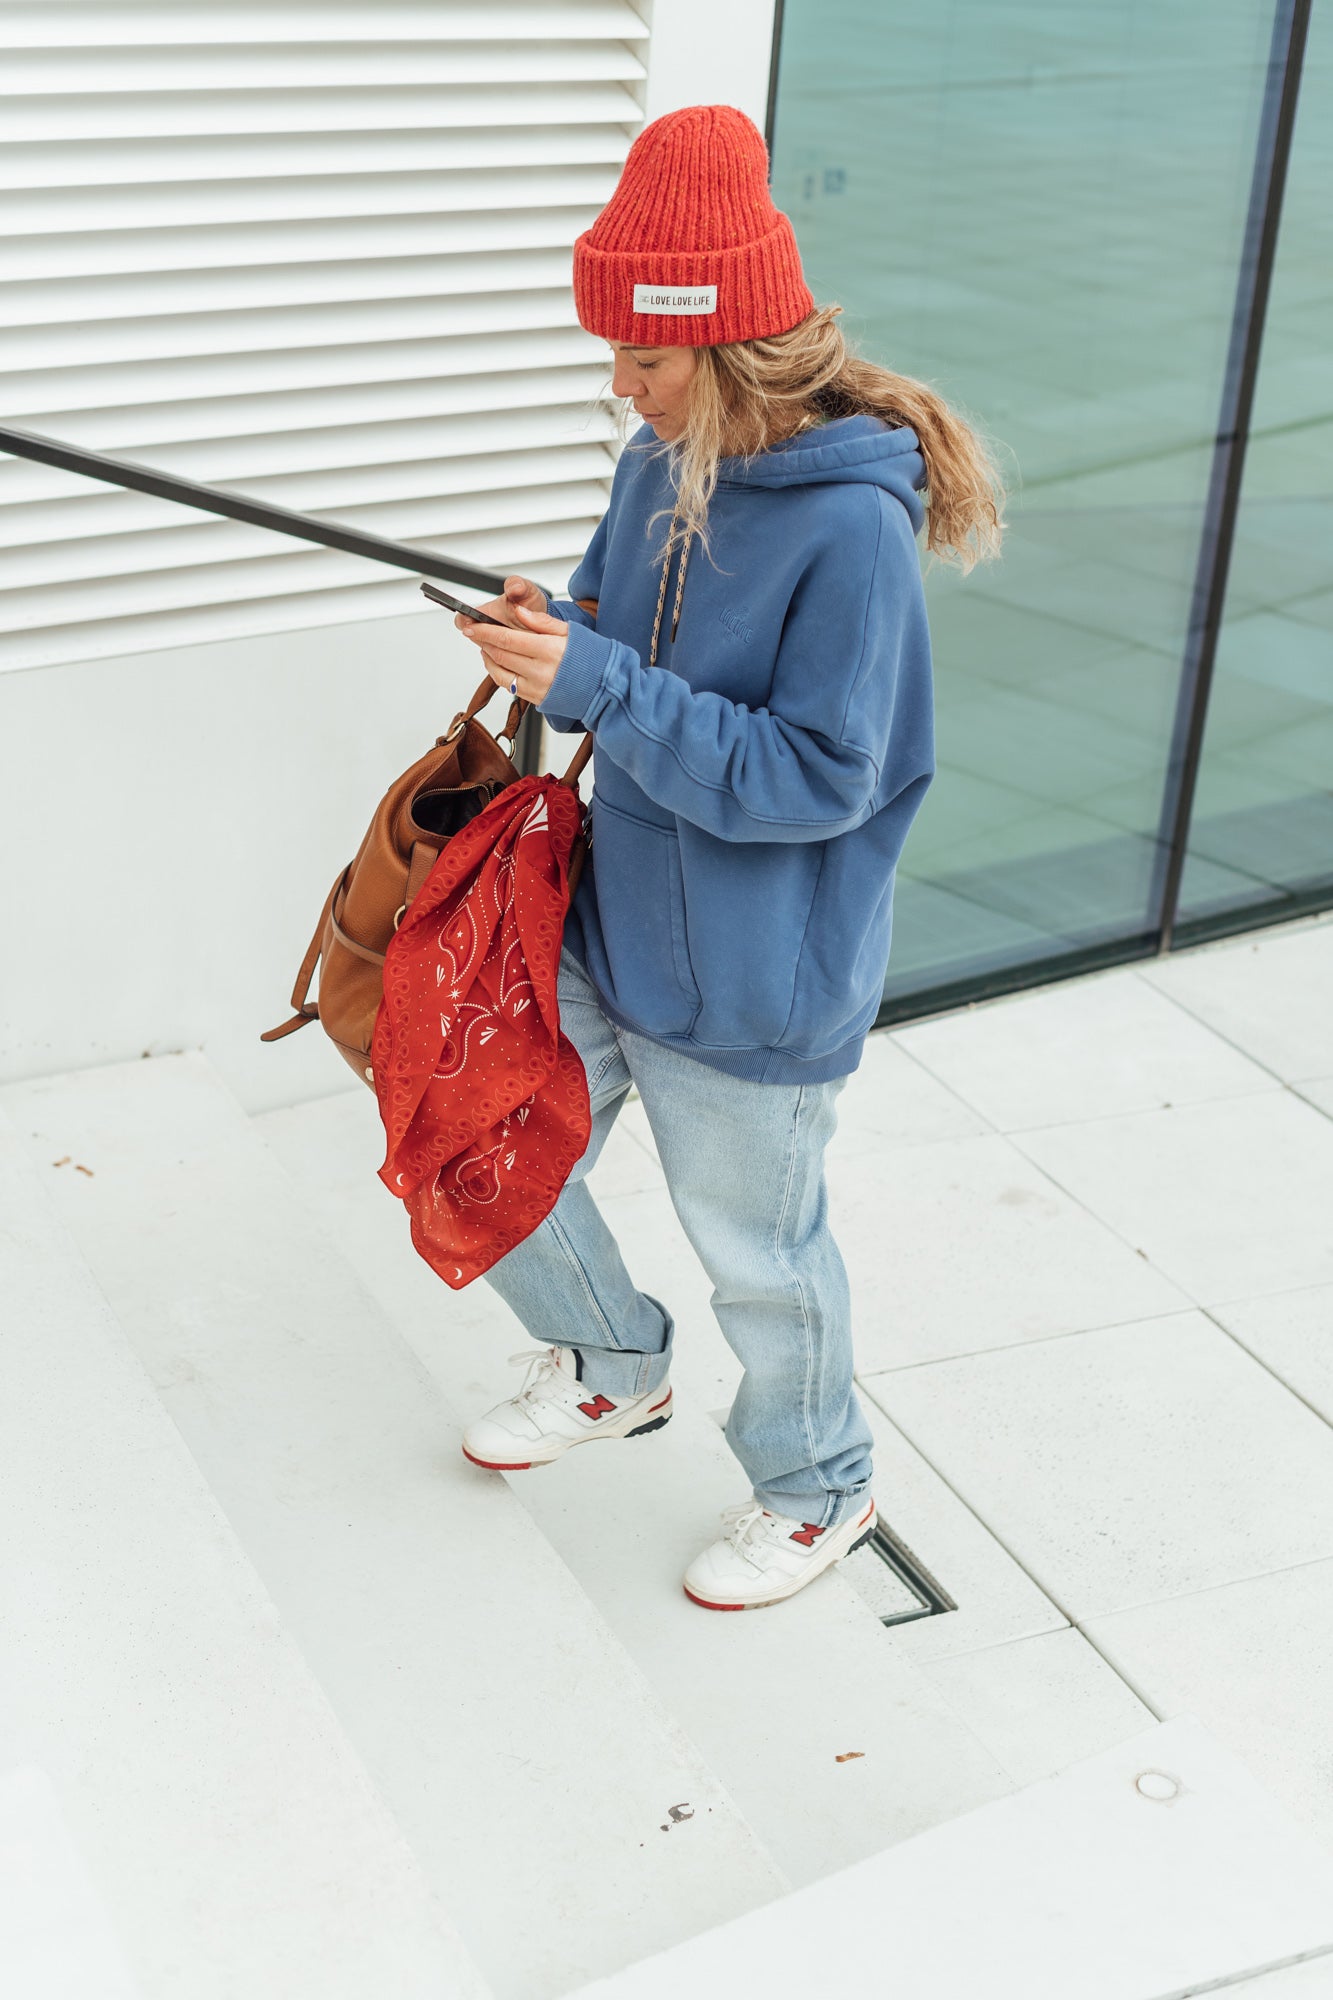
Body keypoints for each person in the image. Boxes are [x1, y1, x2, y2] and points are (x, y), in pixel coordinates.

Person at [453, 104, 1002, 1611]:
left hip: (758, 987)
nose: (618, 384)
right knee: (480, 1143)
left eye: (642, 354)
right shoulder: (656, 462)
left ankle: (818, 1487)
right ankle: (614, 1361)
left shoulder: (849, 537)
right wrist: (553, 639)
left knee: (759, 1263)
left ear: (729, 346)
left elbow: (822, 777)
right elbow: (618, 641)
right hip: (609, 921)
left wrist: (604, 687)